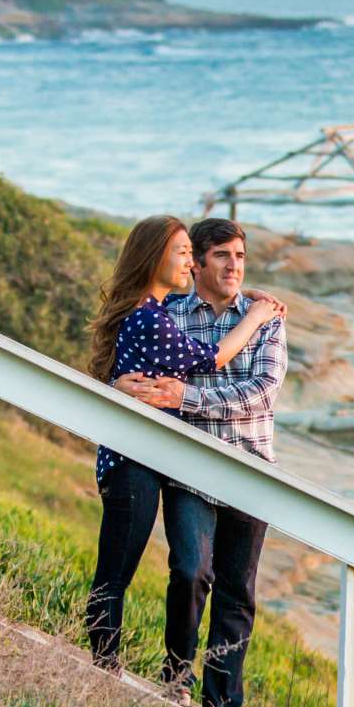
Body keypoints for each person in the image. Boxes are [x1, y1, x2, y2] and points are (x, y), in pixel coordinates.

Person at [84, 215, 284, 675]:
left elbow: (263, 391)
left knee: (234, 592)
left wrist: (252, 304)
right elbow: (211, 360)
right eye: (206, 256)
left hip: (235, 462)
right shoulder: (160, 315)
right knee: (151, 571)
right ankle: (114, 670)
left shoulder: (155, 311)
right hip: (148, 461)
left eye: (240, 258)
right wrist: (117, 386)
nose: (231, 266)